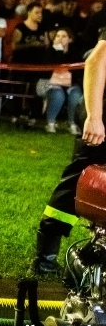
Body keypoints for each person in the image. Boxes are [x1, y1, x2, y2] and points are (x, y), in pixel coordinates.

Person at [31, 29, 106, 275]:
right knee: (78, 181)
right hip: (103, 112)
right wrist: (95, 117)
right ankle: (46, 259)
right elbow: (96, 59)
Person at [40, 27, 83, 134]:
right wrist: (58, 51)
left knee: (76, 94)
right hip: (50, 82)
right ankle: (50, 123)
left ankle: (72, 123)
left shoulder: (75, 54)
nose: (60, 39)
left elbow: (77, 72)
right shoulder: (49, 51)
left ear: (70, 39)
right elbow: (52, 70)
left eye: (64, 36)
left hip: (70, 83)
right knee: (58, 94)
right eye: (58, 36)